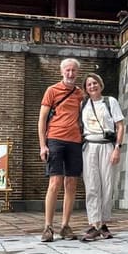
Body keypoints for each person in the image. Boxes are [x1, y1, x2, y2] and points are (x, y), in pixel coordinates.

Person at [38, 58, 85, 242]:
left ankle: (65, 225)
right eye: (67, 70)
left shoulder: (80, 93)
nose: (70, 73)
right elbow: (42, 119)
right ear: (61, 71)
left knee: (71, 184)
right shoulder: (52, 91)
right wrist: (43, 145)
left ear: (77, 72)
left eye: (73, 70)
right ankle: (48, 227)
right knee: (55, 183)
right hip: (55, 140)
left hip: (75, 141)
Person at [79, 72, 125, 242]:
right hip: (89, 146)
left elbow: (120, 126)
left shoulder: (110, 102)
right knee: (91, 185)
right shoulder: (83, 104)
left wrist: (117, 148)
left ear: (100, 84)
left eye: (95, 83)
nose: (92, 86)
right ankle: (94, 223)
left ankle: (102, 223)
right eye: (89, 84)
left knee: (107, 185)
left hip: (107, 146)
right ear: (86, 88)